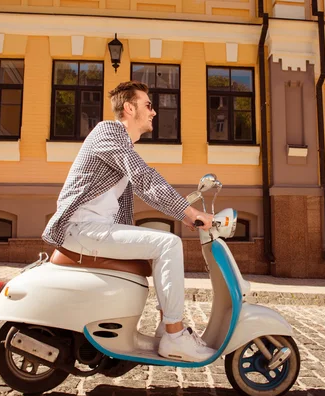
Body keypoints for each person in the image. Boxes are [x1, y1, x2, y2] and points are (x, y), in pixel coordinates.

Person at [42, 81, 216, 362]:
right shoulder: (107, 132)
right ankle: (174, 334)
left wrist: (183, 214)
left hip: (93, 230)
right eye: (148, 105)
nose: (154, 112)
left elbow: (141, 187)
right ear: (129, 108)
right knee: (168, 244)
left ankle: (165, 327)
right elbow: (145, 178)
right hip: (80, 229)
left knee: (159, 247)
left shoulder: (119, 143)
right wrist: (190, 213)